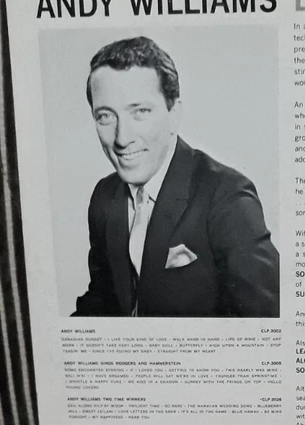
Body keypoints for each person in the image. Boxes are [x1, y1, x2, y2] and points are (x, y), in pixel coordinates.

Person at [74, 36, 279, 318]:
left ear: (174, 114)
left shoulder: (226, 196)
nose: (122, 138)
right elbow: (102, 300)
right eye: (106, 116)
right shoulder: (104, 196)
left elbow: (265, 324)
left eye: (140, 112)